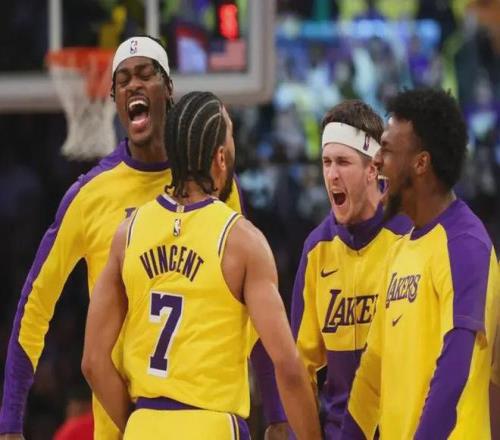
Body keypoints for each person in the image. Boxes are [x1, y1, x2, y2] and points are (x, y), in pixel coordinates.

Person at [0, 36, 279, 440]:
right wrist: (10, 424)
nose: (134, 84)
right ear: (113, 98)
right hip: (127, 426)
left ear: (168, 89)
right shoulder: (89, 195)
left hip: (201, 416)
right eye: (123, 80)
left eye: (146, 74)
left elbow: (253, 307)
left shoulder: (216, 183)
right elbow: (34, 307)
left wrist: (276, 413)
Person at [81, 91, 322, 439]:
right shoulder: (241, 240)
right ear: (221, 158)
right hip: (211, 425)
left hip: (144, 424)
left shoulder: (127, 233)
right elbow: (286, 364)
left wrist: (137, 424)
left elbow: (93, 361)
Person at [342, 88, 500, 439]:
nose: (376, 161)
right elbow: (371, 376)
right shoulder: (400, 250)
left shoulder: (465, 245)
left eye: (386, 149)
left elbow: (455, 370)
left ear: (421, 163)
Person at [271, 100, 411, 439]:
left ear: (373, 168)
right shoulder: (317, 249)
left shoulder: (410, 236)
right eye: (326, 162)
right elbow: (300, 368)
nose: (331, 174)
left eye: (343, 162)